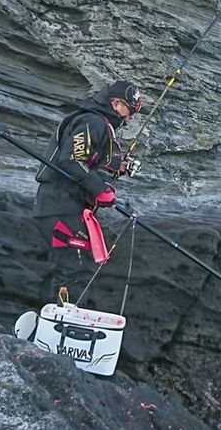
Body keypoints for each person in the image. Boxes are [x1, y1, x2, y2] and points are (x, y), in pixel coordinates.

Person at [31, 80, 144, 308]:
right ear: (115, 103)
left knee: (74, 266)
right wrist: (100, 189)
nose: (130, 118)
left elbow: (84, 164)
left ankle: (57, 319)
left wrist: (112, 170)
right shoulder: (92, 121)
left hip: (63, 207)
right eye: (129, 111)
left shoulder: (98, 123)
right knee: (76, 268)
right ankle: (63, 325)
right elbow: (71, 160)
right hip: (59, 207)